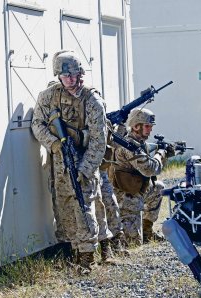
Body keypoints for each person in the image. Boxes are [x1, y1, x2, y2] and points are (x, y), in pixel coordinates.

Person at [31, 50, 111, 273]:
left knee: (84, 205)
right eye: (66, 77)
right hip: (59, 162)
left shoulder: (92, 100)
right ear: (58, 76)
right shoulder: (48, 96)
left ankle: (87, 257)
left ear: (80, 74)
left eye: (74, 75)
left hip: (85, 160)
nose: (71, 80)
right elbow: (37, 124)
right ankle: (70, 251)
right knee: (63, 204)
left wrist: (85, 169)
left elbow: (98, 140)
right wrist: (54, 144)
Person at [109, 108, 175, 246]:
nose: (150, 130)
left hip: (136, 192)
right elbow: (150, 169)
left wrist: (165, 153)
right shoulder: (128, 145)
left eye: (151, 126)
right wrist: (161, 153)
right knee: (133, 244)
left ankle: (147, 231)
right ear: (135, 126)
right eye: (147, 126)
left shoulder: (139, 143)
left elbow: (154, 169)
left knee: (158, 188)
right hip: (125, 199)